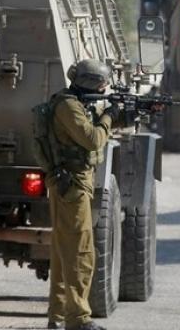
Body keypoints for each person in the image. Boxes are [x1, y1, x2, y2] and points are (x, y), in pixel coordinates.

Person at [45, 59, 120, 330]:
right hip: (72, 186)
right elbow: (92, 139)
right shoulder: (68, 106)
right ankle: (78, 319)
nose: (104, 89)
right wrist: (110, 116)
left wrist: (120, 113)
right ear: (89, 84)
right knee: (80, 252)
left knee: (64, 252)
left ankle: (58, 315)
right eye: (102, 85)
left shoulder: (74, 103)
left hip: (71, 184)